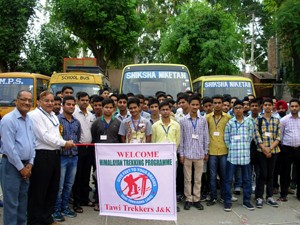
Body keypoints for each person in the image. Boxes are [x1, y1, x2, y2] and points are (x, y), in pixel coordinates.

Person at [27, 91, 75, 225]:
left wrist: (63, 142)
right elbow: (44, 136)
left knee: (52, 188)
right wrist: (64, 143)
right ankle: (35, 221)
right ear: (39, 102)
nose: (49, 103)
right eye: (46, 101)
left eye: (51, 101)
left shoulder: (53, 115)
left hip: (55, 155)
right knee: (39, 190)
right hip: (42, 155)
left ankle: (47, 218)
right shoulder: (34, 115)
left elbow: (56, 134)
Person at [0, 90, 35, 225]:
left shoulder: (29, 119)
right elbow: (9, 148)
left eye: (29, 100)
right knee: (11, 205)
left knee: (22, 203)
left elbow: (32, 143)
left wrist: (30, 164)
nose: (26, 103)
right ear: (16, 101)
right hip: (11, 166)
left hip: (26, 166)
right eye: (23, 99)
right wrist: (21, 168)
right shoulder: (8, 120)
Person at [52, 96, 81, 222]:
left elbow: (77, 137)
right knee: (59, 186)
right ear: (63, 105)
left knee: (69, 185)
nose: (71, 106)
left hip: (73, 157)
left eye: (73, 105)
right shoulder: (56, 120)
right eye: (68, 104)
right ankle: (56, 210)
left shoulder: (76, 122)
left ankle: (65, 207)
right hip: (61, 157)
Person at [224, 100, 255, 212]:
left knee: (247, 180)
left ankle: (247, 201)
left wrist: (245, 145)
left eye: (240, 107)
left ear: (243, 109)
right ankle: (227, 201)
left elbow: (251, 136)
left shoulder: (249, 122)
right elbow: (226, 139)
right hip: (232, 156)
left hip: (245, 156)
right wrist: (232, 147)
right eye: (236, 108)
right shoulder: (230, 123)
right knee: (228, 180)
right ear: (233, 109)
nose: (238, 110)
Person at [179, 95, 209, 210]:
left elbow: (206, 136)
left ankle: (196, 199)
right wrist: (181, 154)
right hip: (187, 154)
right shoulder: (183, 121)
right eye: (193, 104)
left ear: (199, 106)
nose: (195, 107)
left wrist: (206, 152)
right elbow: (181, 139)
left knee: (198, 179)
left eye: (197, 105)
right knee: (187, 179)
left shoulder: (203, 120)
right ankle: (188, 199)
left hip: (200, 154)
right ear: (189, 105)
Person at [91, 98, 121, 211]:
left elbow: (120, 139)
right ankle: (98, 200)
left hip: (114, 156)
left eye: (110, 107)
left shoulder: (118, 122)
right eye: (106, 107)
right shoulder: (96, 123)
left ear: (114, 109)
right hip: (100, 156)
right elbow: (94, 138)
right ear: (102, 108)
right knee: (98, 178)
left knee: (113, 178)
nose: (108, 109)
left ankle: (112, 201)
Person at [152, 100, 180, 211]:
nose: (165, 112)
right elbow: (153, 142)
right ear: (159, 111)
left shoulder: (176, 125)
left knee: (172, 180)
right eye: (163, 110)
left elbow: (177, 141)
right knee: (160, 180)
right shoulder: (155, 126)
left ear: (170, 110)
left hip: (172, 157)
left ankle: (172, 202)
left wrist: (170, 151)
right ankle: (160, 202)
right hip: (159, 158)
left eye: (167, 109)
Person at [254, 98, 281, 208]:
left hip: (273, 151)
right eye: (266, 105)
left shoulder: (276, 120)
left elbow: (278, 137)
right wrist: (265, 149)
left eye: (270, 104)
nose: (268, 106)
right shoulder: (258, 120)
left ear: (272, 106)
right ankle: (259, 196)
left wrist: (270, 148)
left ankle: (269, 196)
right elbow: (256, 136)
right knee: (262, 174)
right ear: (263, 106)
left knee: (271, 174)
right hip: (261, 151)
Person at [72, 92, 96, 213]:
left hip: (89, 148)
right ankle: (76, 202)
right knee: (78, 176)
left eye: (87, 100)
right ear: (77, 100)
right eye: (82, 100)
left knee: (86, 175)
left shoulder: (91, 115)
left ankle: (85, 199)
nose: (85, 102)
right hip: (79, 148)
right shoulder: (74, 114)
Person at [206, 95, 231, 206]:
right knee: (212, 176)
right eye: (215, 103)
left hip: (224, 150)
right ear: (212, 104)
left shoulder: (228, 118)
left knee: (224, 176)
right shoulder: (207, 118)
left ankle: (225, 197)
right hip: (211, 151)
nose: (217, 105)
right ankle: (213, 197)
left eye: (219, 102)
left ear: (222, 104)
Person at [278, 99, 300, 201]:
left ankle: (299, 194)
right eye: (292, 106)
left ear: (299, 107)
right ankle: (283, 194)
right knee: (285, 172)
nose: (294, 108)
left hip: (299, 149)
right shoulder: (284, 120)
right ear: (289, 107)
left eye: (296, 106)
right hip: (287, 149)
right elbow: (280, 135)